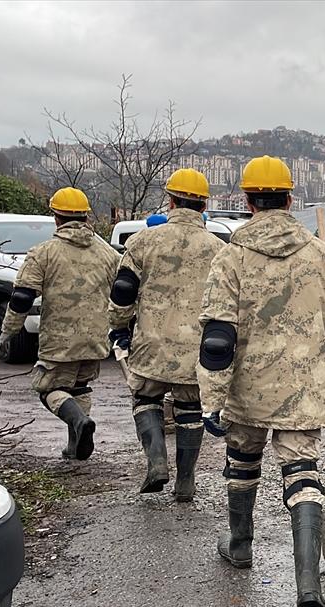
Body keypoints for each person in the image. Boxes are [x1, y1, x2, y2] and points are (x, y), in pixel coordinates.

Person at [200, 155, 325, 607]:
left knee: (243, 460)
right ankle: (308, 584)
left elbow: (217, 339)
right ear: (290, 200)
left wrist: (211, 398)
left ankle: (240, 543)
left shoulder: (230, 257)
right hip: (305, 389)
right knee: (303, 475)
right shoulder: (323, 256)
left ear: (247, 202)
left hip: (248, 390)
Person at [107, 168, 222, 500]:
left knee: (146, 399)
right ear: (203, 206)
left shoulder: (143, 241)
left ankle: (156, 460)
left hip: (150, 343)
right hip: (196, 347)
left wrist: (118, 325)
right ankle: (186, 480)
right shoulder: (217, 247)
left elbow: (124, 291)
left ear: (170, 202)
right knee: (189, 410)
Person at [0, 187, 118, 460]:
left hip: (59, 339)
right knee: (80, 386)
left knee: (48, 388)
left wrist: (8, 331)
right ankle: (75, 444)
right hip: (96, 337)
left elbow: (21, 298)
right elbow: (124, 288)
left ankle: (78, 423)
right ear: (87, 217)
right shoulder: (107, 253)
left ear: (56, 218)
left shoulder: (44, 253)